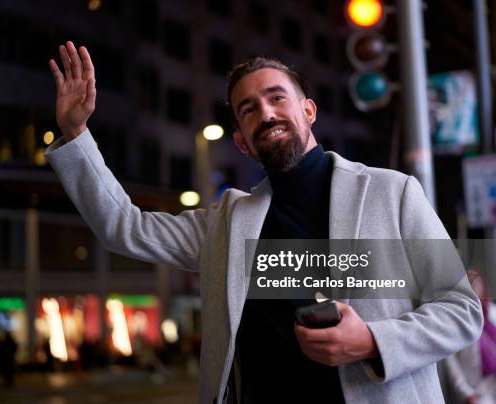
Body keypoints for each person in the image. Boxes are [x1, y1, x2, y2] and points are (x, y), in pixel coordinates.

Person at [44, 41, 483, 404]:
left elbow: (461, 310)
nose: (267, 114)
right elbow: (125, 227)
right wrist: (76, 133)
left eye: (277, 97)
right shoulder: (225, 223)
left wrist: (372, 340)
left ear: (308, 111)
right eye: (249, 109)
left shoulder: (394, 192)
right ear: (241, 141)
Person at [443, 270, 496, 404]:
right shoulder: (455, 320)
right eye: (469, 284)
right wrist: (466, 393)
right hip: (478, 389)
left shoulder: (493, 311)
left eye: (475, 283)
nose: (473, 288)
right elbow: (451, 363)